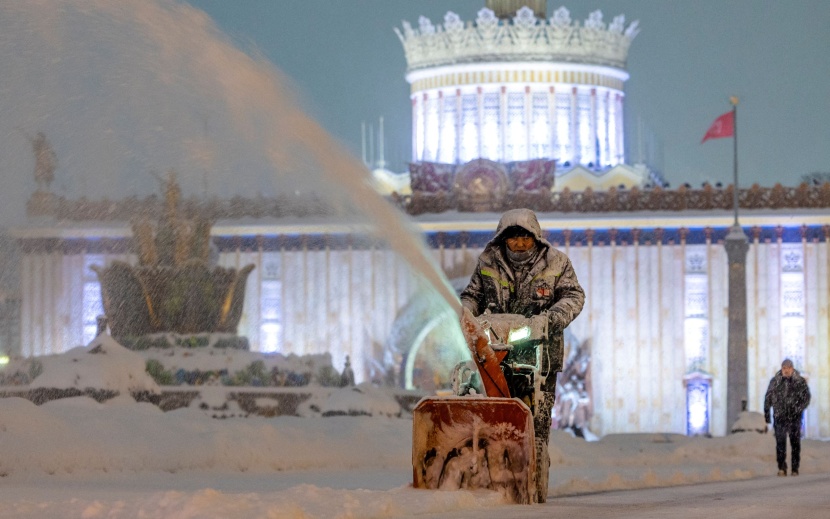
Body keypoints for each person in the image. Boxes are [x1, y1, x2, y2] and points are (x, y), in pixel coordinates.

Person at [460, 208, 585, 494]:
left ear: (536, 238)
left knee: (537, 413)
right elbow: (473, 294)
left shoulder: (556, 263)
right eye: (512, 238)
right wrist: (466, 312)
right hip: (495, 347)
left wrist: (551, 318)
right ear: (502, 239)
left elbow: (574, 295)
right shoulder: (488, 262)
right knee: (491, 404)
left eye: (524, 238)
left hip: (540, 350)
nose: (518, 243)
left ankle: (536, 461)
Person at [763, 358, 811, 476]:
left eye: (788, 368)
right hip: (780, 417)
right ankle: (782, 467)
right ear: (782, 368)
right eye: (784, 368)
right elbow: (768, 398)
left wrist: (798, 409)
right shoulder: (775, 382)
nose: (786, 370)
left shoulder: (799, 382)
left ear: (792, 368)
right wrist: (767, 415)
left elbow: (806, 397)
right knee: (780, 443)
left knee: (795, 444)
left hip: (794, 417)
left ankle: (795, 468)